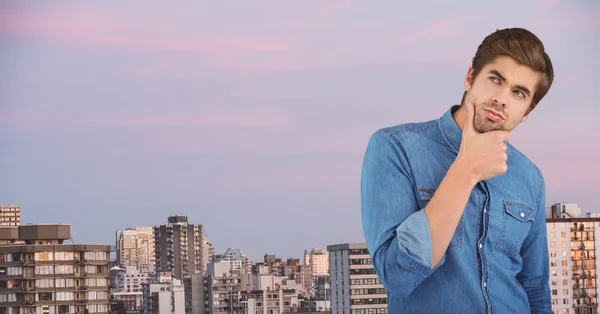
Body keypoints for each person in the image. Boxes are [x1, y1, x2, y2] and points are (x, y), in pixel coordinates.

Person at [360, 27, 554, 313]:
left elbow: (535, 289)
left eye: (518, 92)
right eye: (495, 79)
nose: (501, 98)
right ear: (469, 78)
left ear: (526, 112)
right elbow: (396, 275)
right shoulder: (395, 148)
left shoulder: (530, 177)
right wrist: (466, 170)